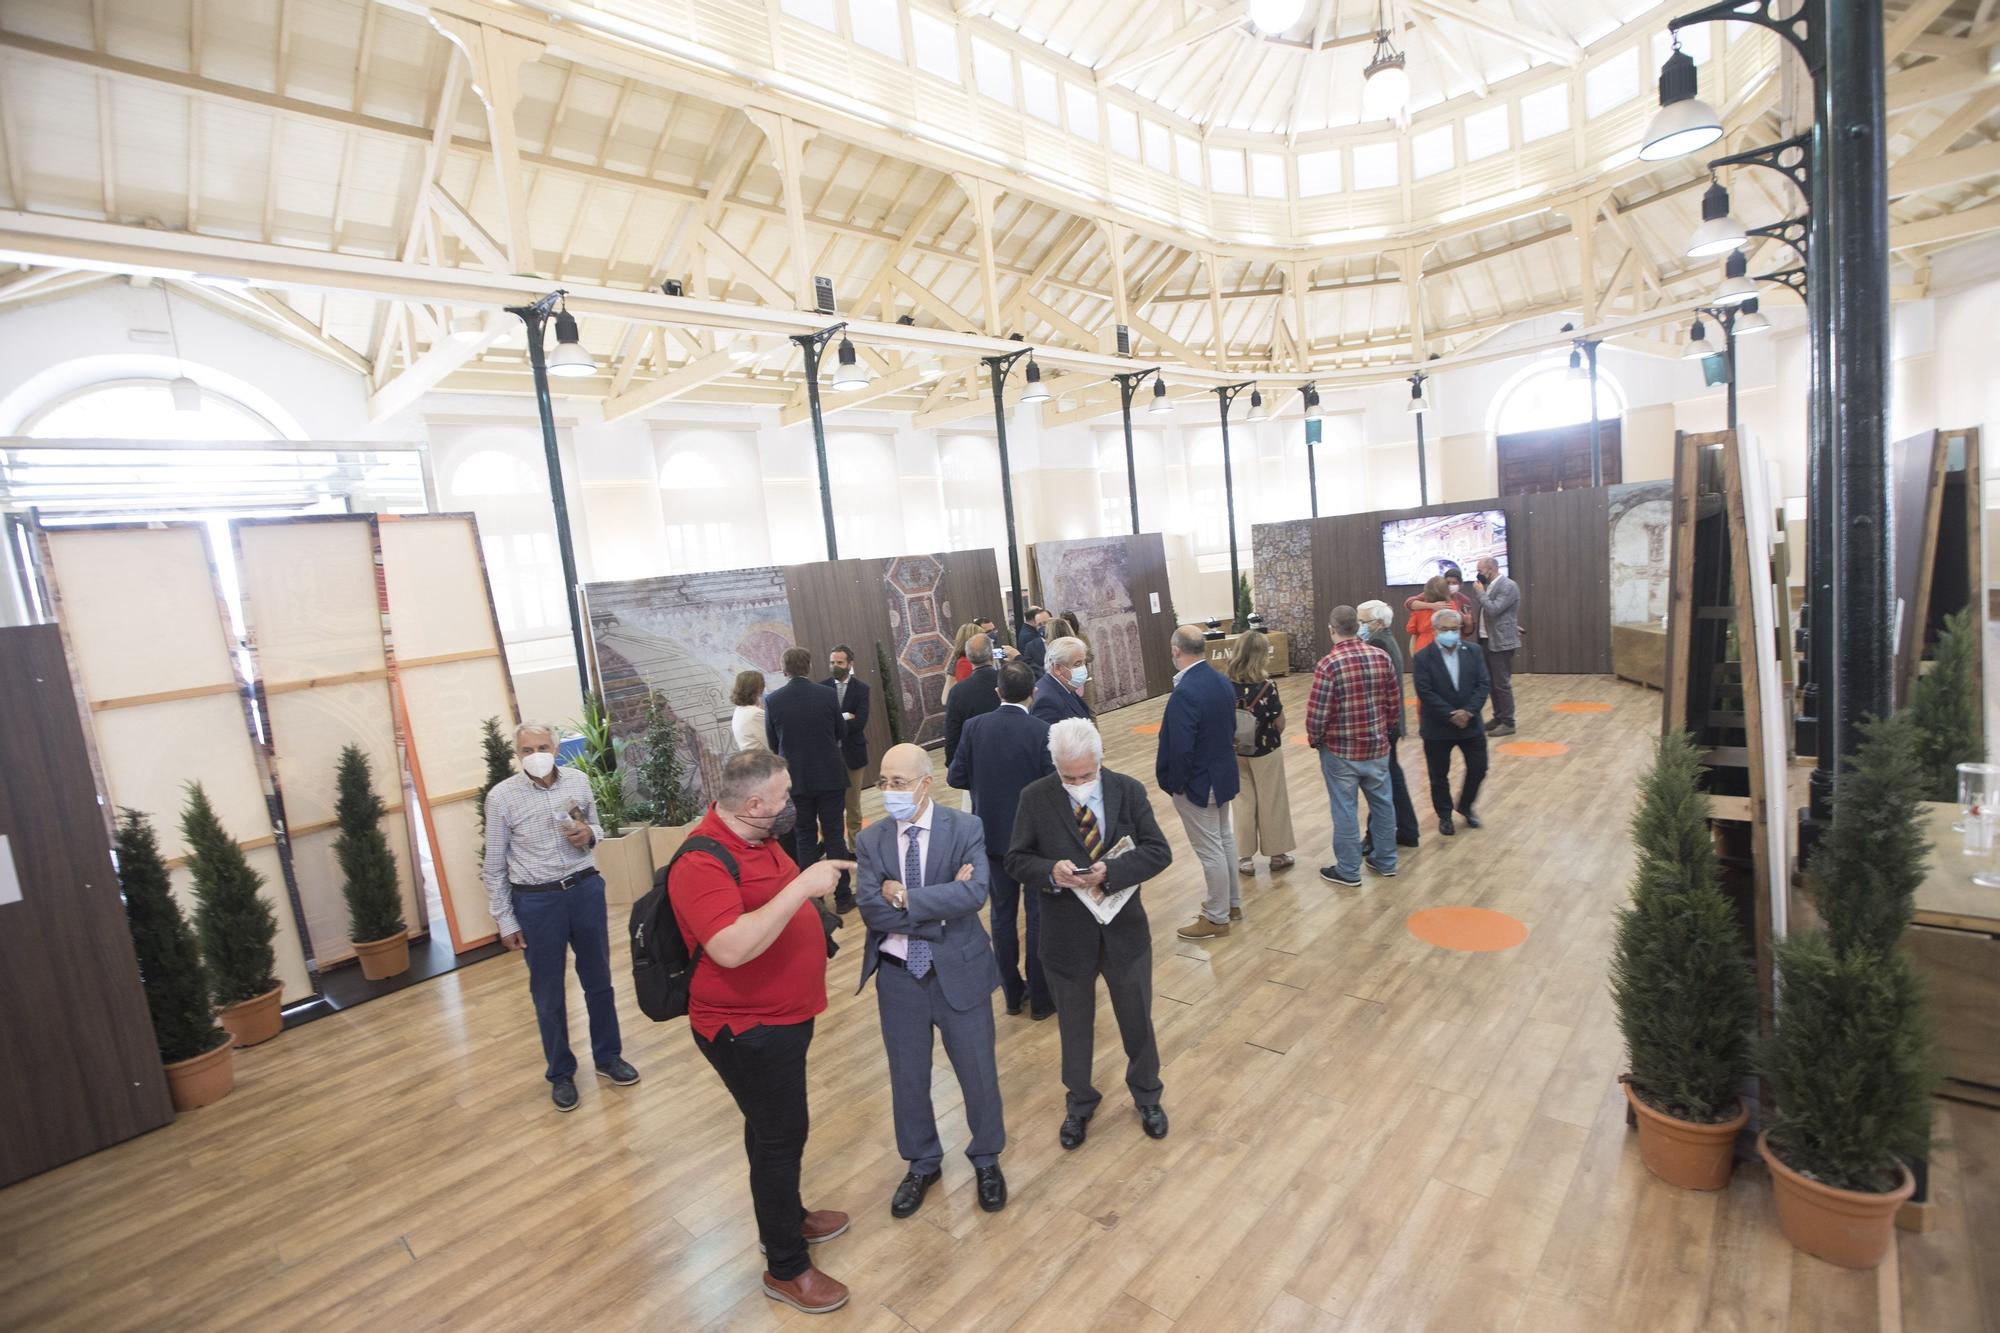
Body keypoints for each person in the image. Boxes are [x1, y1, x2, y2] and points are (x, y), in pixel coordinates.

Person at [666, 750, 855, 1315]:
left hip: (783, 1018)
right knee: (780, 1137)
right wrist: (803, 888)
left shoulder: (755, 836)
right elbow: (729, 945)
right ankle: (786, 1266)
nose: (791, 802)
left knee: (769, 1130)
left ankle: (788, 1215)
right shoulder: (699, 863)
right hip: (744, 1029)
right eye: (783, 794)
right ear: (753, 805)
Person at [1005, 719, 1173, 1150]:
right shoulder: (1035, 797)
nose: (1078, 784)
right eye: (1068, 777)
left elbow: (1158, 851)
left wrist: (1112, 871)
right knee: (1075, 1030)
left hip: (1124, 933)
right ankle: (1079, 1102)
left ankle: (1147, 1094)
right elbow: (1016, 860)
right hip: (1065, 938)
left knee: (1137, 1020)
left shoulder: (1129, 791)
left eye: (1085, 775)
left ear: (1100, 760)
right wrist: (1050, 872)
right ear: (1056, 767)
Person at [855, 743, 1008, 1219]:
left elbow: (975, 893)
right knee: (907, 1077)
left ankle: (986, 1158)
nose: (888, 792)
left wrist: (903, 898)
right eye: (883, 783)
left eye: (898, 783)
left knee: (978, 1073)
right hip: (899, 978)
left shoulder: (965, 827)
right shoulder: (871, 840)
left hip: (959, 972)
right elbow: (868, 908)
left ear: (926, 783)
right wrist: (936, 902)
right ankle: (922, 1161)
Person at [481, 723, 639, 1112]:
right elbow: (494, 865)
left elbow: (596, 826)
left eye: (542, 746)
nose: (536, 753)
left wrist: (590, 835)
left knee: (599, 980)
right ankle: (560, 1072)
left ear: (555, 747)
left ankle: (608, 1056)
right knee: (548, 993)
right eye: (526, 749)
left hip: (584, 890)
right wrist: (506, 920)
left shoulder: (578, 781)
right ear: (517, 755)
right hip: (536, 902)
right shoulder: (502, 797)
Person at [948, 661, 1056, 1019]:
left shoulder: (974, 727)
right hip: (1036, 841)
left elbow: (956, 776)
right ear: (1033, 693)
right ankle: (1042, 999)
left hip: (992, 837)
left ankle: (1012, 993)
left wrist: (986, 789)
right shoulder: (1042, 731)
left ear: (998, 693)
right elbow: (1053, 785)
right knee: (1039, 917)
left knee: (1002, 916)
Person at [1304, 605, 1402, 888]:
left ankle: (1348, 870)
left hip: (1340, 751)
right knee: (1383, 805)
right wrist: (1385, 730)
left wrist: (1316, 739)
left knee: (1345, 809)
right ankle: (1386, 862)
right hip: (1376, 746)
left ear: (1332, 629)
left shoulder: (1328, 664)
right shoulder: (1381, 657)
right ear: (1357, 627)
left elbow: (1317, 714)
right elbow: (1393, 704)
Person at [1157, 624, 1243, 941]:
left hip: (1198, 782)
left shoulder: (1185, 692)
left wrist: (1175, 784)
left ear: (1176, 650)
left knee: (1210, 850)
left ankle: (1217, 917)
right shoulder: (1220, 680)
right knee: (1224, 840)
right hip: (1221, 775)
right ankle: (1231, 904)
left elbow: (1181, 747)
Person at [765, 647, 854, 912]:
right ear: (809, 666)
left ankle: (814, 900)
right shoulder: (827, 694)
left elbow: (773, 743)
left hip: (797, 780)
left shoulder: (773, 700)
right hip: (830, 776)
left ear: (784, 670)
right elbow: (842, 731)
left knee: (804, 837)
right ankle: (843, 897)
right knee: (835, 835)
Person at [1412, 608, 1491, 837]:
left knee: (1479, 768)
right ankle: (1444, 816)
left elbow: (1483, 685)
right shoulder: (1423, 657)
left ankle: (1465, 806)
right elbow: (1425, 691)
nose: (1450, 633)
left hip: (1471, 724)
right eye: (1445, 629)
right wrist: (1450, 714)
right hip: (1437, 728)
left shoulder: (1474, 651)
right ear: (1435, 630)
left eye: (1454, 629)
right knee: (1438, 776)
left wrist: (1468, 712)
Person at [1226, 630, 1296, 877]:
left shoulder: (1226, 685)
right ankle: (1277, 855)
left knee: (1242, 803)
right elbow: (1280, 723)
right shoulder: (1267, 687)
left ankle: (1244, 858)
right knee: (1272, 800)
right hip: (1265, 749)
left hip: (1235, 750)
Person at [1356, 601, 1421, 849]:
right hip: (1391, 723)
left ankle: (1375, 836)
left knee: (1379, 781)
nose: (1360, 627)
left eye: (1364, 622)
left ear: (1379, 622)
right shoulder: (1386, 640)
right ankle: (1407, 829)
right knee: (1392, 776)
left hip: (1382, 724)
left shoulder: (1378, 643)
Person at [1467, 557, 1521, 736]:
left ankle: (1508, 722)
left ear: (1490, 569)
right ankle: (1498, 717)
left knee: (1501, 683)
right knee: (1490, 683)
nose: (1478, 574)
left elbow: (1494, 609)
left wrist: (1480, 593)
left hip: (1500, 642)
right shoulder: (1489, 586)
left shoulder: (1508, 586)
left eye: (1480, 570)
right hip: (1485, 640)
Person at [822, 646, 871, 840]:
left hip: (853, 754)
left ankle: (854, 846)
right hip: (829, 756)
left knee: (853, 805)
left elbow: (859, 723)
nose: (835, 666)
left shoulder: (862, 689)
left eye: (840, 662)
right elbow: (821, 723)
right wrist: (845, 717)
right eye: (832, 662)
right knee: (830, 805)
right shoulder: (822, 688)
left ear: (850, 664)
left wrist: (836, 722)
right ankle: (832, 844)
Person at [942, 633, 1000, 766]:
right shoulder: (1007, 679)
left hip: (977, 760)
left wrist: (952, 764)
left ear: (969, 658)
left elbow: (952, 732)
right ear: (992, 654)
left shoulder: (958, 691)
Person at [1031, 636, 1093, 725]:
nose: (1083, 668)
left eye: (1084, 663)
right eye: (1077, 664)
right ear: (1057, 668)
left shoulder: (1065, 685)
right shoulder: (1046, 701)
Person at [1406, 575, 1454, 657]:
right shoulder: (1451, 606)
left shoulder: (1419, 609)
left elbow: (1411, 631)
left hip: (1422, 649)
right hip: (1445, 648)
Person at [731, 670, 768, 754]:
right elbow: (773, 743)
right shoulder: (755, 714)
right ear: (759, 689)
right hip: (763, 763)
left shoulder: (739, 710)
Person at [1016, 606, 1051, 674]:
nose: (1043, 627)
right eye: (1039, 625)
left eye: (1045, 623)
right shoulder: (1031, 647)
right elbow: (1030, 670)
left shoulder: (1064, 640)